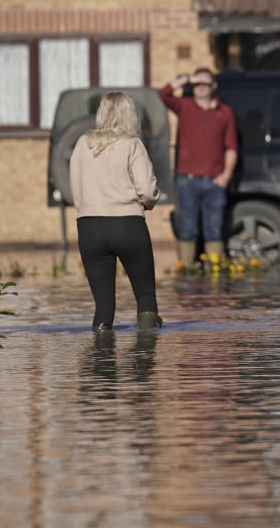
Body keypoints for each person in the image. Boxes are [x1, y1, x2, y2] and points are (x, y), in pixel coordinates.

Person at [70, 92, 162, 332]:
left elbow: (75, 187)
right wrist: (147, 205)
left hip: (89, 226)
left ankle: (101, 361)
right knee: (145, 299)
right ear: (129, 114)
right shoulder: (132, 143)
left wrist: (88, 208)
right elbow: (148, 190)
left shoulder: (82, 143)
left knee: (103, 306)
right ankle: (145, 361)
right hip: (128, 224)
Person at [159, 67, 237, 267]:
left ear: (214, 86)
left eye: (205, 84)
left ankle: (215, 271)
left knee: (214, 229)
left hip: (215, 181)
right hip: (187, 180)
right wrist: (187, 78)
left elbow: (231, 148)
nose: (201, 88)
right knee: (187, 228)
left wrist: (226, 175)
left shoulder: (225, 112)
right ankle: (186, 270)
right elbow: (163, 94)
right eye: (197, 84)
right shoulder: (184, 106)